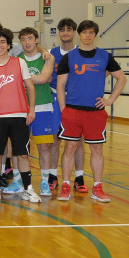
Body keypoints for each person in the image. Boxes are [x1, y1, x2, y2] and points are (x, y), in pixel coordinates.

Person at [56, 20, 126, 202]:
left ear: (95, 35)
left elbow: (121, 78)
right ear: (79, 34)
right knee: (70, 148)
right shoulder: (69, 57)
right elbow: (60, 84)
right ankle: (65, 185)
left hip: (95, 112)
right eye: (84, 32)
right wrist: (63, 109)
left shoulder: (105, 56)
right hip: (73, 111)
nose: (88, 35)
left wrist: (110, 100)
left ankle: (97, 187)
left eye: (91, 32)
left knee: (97, 149)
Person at [0, 28, 39, 203]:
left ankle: (28, 189)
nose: (0, 45)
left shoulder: (19, 62)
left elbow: (30, 86)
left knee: (22, 154)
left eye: (3, 42)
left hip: (19, 115)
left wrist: (31, 110)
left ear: (8, 45)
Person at [48, 17, 86, 193]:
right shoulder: (51, 53)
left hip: (76, 100)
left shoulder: (82, 52)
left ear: (74, 32)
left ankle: (79, 177)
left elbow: (102, 71)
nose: (65, 33)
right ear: (58, 32)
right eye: (62, 30)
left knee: (78, 142)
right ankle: (53, 176)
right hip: (56, 99)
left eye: (69, 29)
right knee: (54, 140)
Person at [18, 27, 56, 197]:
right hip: (21, 109)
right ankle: (18, 181)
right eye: (23, 39)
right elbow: (39, 78)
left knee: (44, 147)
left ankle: (45, 182)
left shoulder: (47, 57)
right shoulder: (17, 60)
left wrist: (23, 78)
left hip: (43, 107)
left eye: (30, 38)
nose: (27, 42)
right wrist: (37, 78)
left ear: (36, 40)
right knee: (19, 148)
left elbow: (43, 78)